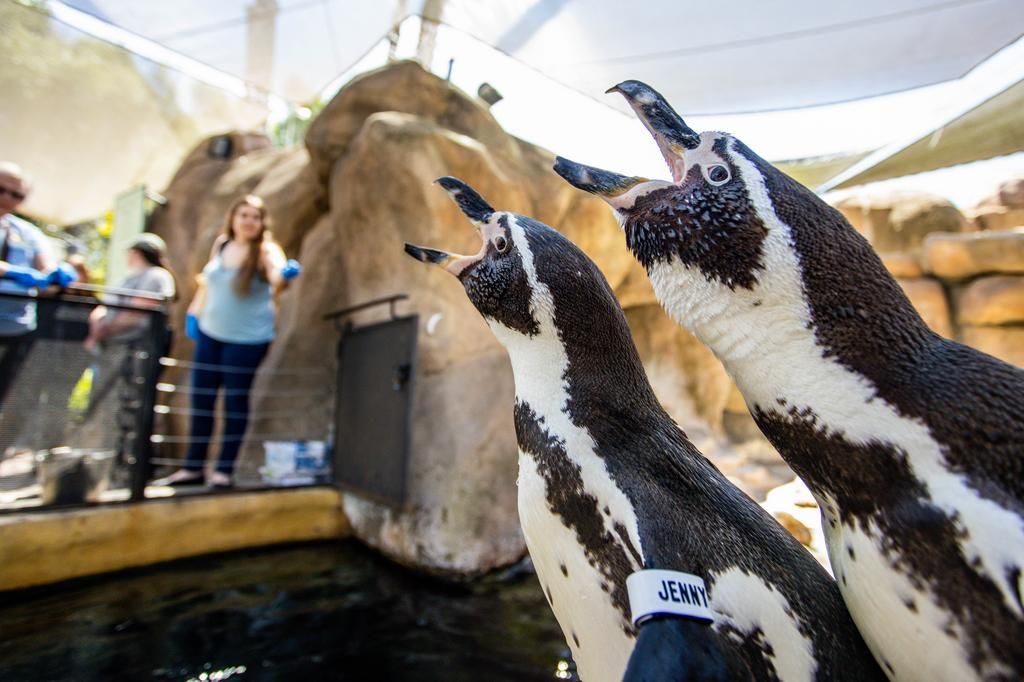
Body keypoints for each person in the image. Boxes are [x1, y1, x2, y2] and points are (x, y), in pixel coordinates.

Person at [157, 195, 300, 488]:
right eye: (243, 215)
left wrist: (284, 277)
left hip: (247, 340)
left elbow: (276, 278)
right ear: (233, 218)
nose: (249, 221)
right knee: (202, 401)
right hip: (210, 334)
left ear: (262, 223)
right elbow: (208, 284)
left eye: (255, 217)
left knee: (235, 402)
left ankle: (224, 471)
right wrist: (194, 315)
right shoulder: (222, 245)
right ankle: (192, 467)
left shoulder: (266, 251)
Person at [83, 233, 177, 351]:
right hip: (113, 345)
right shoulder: (130, 278)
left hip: (135, 349)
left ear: (137, 252)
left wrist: (102, 332)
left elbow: (136, 313)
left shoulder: (156, 275)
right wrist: (97, 326)